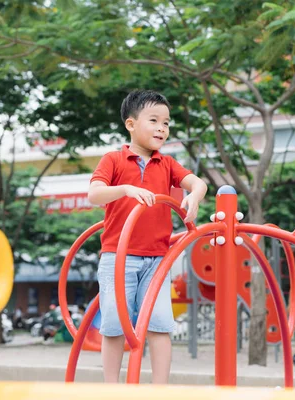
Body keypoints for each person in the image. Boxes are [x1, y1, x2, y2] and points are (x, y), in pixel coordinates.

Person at [88, 89, 207, 384]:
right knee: (115, 327)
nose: (162, 129)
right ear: (130, 124)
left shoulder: (166, 164)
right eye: (154, 120)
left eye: (166, 123)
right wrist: (126, 189)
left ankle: (159, 390)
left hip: (156, 260)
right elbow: (94, 194)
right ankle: (112, 389)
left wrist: (195, 195)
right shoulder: (113, 160)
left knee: (159, 325)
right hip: (119, 256)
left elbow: (197, 182)